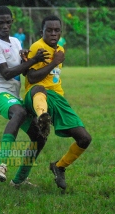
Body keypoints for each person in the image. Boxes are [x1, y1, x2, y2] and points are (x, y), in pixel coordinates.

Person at [18, 15, 92, 191]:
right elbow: (32, 77)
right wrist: (54, 63)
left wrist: (56, 60)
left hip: (58, 98)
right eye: (49, 30)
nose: (53, 33)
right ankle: (42, 116)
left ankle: (59, 166)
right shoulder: (38, 47)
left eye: (56, 30)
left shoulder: (60, 49)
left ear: (61, 32)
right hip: (35, 95)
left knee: (84, 138)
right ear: (41, 32)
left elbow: (54, 79)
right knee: (39, 89)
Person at [0, 6, 48, 186]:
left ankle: (19, 180)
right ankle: (0, 165)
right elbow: (6, 73)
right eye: (0, 23)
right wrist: (34, 60)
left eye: (8, 22)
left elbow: (24, 70)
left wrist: (33, 60)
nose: (5, 26)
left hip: (13, 94)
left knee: (40, 136)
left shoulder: (16, 42)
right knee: (19, 112)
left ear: (12, 22)